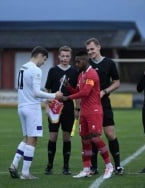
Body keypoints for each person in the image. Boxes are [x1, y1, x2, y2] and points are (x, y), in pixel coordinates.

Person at [9, 46, 63, 180]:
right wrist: (54, 95)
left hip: (22, 106)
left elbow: (30, 92)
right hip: (32, 109)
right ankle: (26, 173)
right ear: (39, 55)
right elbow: (36, 92)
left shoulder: (23, 68)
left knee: (27, 138)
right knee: (33, 140)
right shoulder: (36, 70)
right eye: (44, 59)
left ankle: (14, 165)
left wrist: (46, 98)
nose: (43, 63)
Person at [61, 51, 114, 179]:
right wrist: (68, 86)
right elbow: (78, 92)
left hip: (94, 111)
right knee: (85, 140)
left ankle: (109, 166)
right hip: (84, 111)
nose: (76, 64)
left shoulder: (92, 74)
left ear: (85, 60)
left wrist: (67, 98)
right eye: (76, 61)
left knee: (95, 138)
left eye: (78, 61)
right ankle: (86, 169)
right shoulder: (81, 75)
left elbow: (85, 93)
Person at [84, 37, 124, 175]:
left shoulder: (109, 63)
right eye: (88, 50)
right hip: (89, 105)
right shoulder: (85, 64)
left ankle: (118, 165)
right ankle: (94, 167)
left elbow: (117, 82)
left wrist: (104, 92)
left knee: (110, 134)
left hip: (104, 103)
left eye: (92, 49)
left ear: (99, 47)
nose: (90, 52)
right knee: (93, 135)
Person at [44, 46, 79, 175]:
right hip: (54, 106)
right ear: (58, 57)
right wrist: (47, 106)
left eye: (67, 56)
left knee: (66, 137)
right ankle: (49, 165)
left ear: (70, 57)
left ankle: (66, 167)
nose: (64, 58)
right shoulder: (52, 71)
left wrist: (77, 108)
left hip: (69, 107)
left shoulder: (75, 72)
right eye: (62, 56)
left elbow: (77, 92)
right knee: (53, 136)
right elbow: (47, 90)